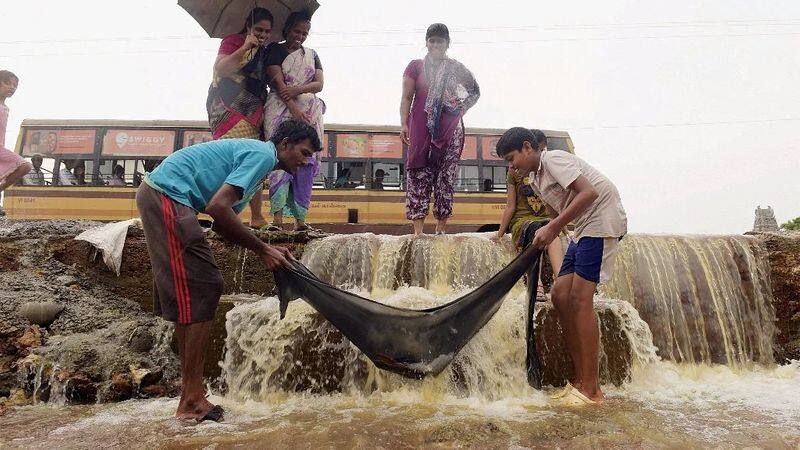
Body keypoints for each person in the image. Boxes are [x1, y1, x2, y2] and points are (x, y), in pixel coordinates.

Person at [136, 119, 319, 422]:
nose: (306, 161)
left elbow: (222, 223)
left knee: (197, 292)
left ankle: (191, 396)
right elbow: (218, 208)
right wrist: (263, 249)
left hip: (165, 196)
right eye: (303, 152)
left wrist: (267, 248)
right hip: (167, 196)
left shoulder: (256, 162)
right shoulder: (263, 155)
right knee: (205, 286)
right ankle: (191, 398)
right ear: (284, 144)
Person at [496, 127, 627, 406]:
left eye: (511, 158)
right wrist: (552, 227)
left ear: (528, 147)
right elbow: (554, 209)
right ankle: (579, 381)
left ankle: (592, 390)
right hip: (582, 228)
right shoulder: (535, 178)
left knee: (580, 298)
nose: (511, 166)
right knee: (559, 295)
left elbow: (589, 193)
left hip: (601, 220)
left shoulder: (553, 159)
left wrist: (553, 228)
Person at [400, 23, 480, 236]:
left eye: (440, 41)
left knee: (446, 175)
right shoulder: (415, 67)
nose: (436, 44)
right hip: (420, 126)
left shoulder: (456, 68)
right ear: (426, 43)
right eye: (432, 40)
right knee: (418, 171)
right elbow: (407, 97)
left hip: (450, 128)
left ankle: (441, 228)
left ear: (447, 44)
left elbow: (474, 91)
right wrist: (403, 123)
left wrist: (457, 107)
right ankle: (418, 231)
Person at [207, 7, 275, 228]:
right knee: (231, 159)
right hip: (228, 106)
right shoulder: (232, 41)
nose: (263, 35)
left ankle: (256, 216)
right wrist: (246, 46)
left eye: (267, 31)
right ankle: (226, 214)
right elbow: (222, 69)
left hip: (255, 109)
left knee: (256, 159)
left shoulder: (266, 52)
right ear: (248, 26)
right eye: (259, 29)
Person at [264, 10, 325, 233]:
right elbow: (277, 82)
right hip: (280, 108)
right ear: (287, 30)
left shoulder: (312, 54)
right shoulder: (274, 49)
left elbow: (319, 84)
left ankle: (300, 220)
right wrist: (294, 108)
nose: (300, 36)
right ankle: (277, 220)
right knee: (280, 157)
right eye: (297, 31)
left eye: (305, 33)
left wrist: (298, 91)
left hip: (309, 111)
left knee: (305, 160)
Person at [493, 130, 563, 287]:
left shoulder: (544, 171)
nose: (512, 165)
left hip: (544, 220)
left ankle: (561, 280)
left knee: (549, 229)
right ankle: (535, 283)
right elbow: (511, 206)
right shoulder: (514, 174)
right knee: (537, 229)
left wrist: (559, 224)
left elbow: (551, 202)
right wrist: (500, 233)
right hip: (522, 221)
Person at [0, 70, 33, 195]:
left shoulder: (6, 108)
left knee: (23, 167)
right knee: (25, 166)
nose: (12, 87)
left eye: (15, 85)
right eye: (7, 83)